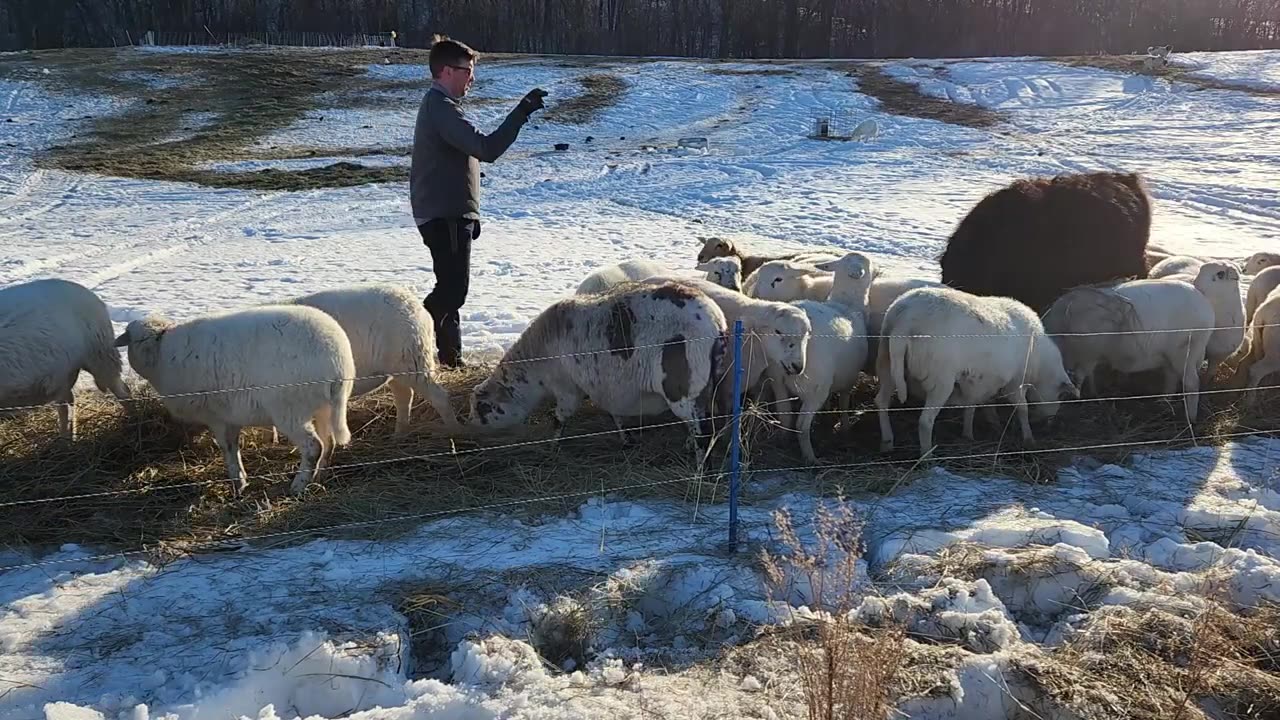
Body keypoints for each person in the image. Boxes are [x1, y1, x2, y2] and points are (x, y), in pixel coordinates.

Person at [411, 36, 547, 368]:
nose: (471, 78)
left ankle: (450, 362)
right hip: (444, 216)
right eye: (466, 70)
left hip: (450, 215)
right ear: (446, 71)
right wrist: (521, 112)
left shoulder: (442, 108)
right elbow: (487, 149)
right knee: (453, 291)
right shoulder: (440, 108)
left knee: (451, 291)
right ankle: (407, 337)